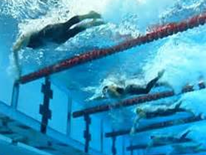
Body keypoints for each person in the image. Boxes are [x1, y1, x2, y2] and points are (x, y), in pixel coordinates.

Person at [12, 11, 104, 77]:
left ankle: (90, 15)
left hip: (49, 34)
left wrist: (17, 68)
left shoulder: (24, 36)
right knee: (74, 31)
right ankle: (97, 22)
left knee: (67, 25)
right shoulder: (28, 42)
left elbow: (15, 49)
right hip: (54, 41)